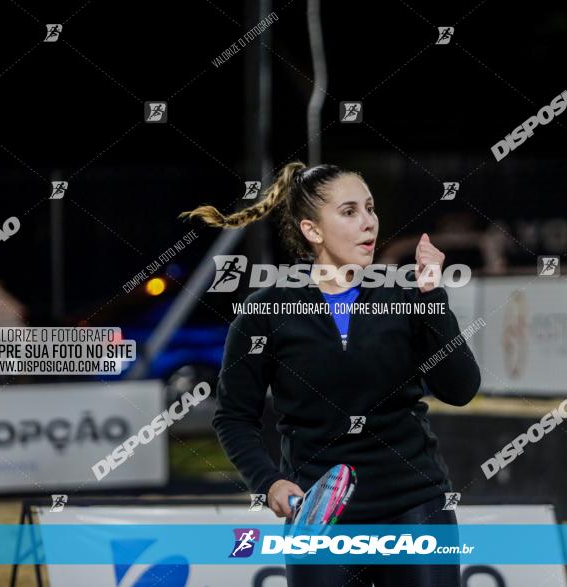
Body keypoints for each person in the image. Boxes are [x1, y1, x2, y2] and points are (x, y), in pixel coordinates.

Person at [180, 161, 481, 585]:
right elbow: (233, 416)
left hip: (415, 507)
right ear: (312, 231)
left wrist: (434, 299)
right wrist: (268, 483)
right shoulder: (264, 313)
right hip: (320, 519)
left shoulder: (409, 296)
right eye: (350, 211)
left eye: (371, 209)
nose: (368, 223)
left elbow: (461, 389)